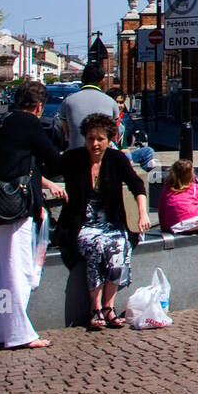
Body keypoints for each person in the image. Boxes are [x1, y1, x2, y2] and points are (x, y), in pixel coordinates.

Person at [0, 79, 68, 349]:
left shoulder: (1, 122)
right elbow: (54, 159)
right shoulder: (29, 123)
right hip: (10, 209)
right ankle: (20, 334)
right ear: (38, 106)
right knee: (17, 270)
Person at [54, 111, 150, 329]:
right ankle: (95, 307)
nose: (95, 144)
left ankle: (109, 306)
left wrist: (143, 213)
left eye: (100, 139)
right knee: (98, 246)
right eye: (90, 139)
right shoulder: (73, 158)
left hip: (111, 223)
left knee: (119, 243)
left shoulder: (116, 159)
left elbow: (137, 185)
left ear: (110, 140)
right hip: (82, 224)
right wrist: (50, 185)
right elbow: (40, 170)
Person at [57, 63, 119, 151]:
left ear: (82, 79)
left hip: (75, 154)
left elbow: (67, 134)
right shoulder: (111, 102)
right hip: (102, 154)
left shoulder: (68, 101)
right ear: (102, 81)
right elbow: (113, 135)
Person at [110, 87, 157, 174]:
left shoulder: (121, 123)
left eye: (121, 102)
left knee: (148, 151)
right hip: (110, 156)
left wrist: (127, 155)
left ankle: (152, 175)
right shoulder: (104, 121)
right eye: (116, 102)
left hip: (122, 155)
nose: (119, 105)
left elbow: (124, 148)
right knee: (126, 156)